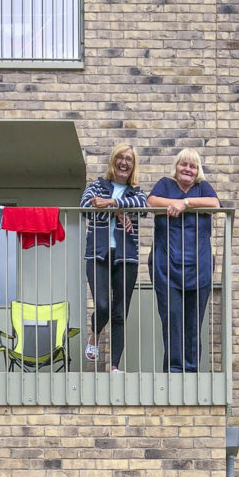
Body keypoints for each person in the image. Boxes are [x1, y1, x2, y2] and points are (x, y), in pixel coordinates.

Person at [147, 149, 220, 373]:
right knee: (173, 321)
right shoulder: (164, 184)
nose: (188, 169)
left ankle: (191, 373)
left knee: (193, 323)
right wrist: (176, 203)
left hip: (199, 268)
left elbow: (215, 204)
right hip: (167, 267)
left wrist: (185, 203)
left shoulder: (203, 188)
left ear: (198, 171)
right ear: (176, 167)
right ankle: (173, 373)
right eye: (183, 165)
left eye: (193, 166)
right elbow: (151, 201)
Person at [80, 144, 147, 370]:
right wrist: (118, 213)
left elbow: (143, 207)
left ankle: (115, 366)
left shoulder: (136, 192)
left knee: (119, 313)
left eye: (129, 159)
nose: (124, 162)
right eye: (120, 157)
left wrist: (111, 203)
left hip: (126, 257)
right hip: (97, 254)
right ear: (113, 161)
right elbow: (84, 206)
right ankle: (95, 334)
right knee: (102, 304)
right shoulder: (97, 185)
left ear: (133, 165)